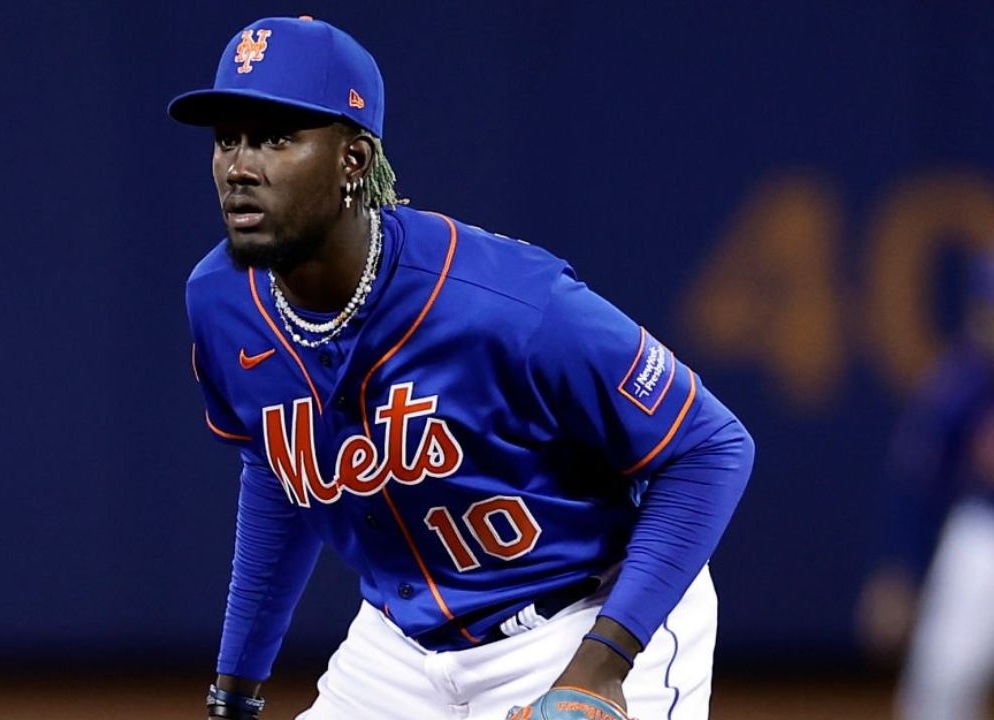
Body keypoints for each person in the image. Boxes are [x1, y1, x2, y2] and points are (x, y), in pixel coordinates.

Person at [169, 16, 754, 720]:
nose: (239, 166)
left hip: (584, 614)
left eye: (275, 137)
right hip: (401, 645)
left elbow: (710, 447)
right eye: (227, 138)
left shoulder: (506, 303)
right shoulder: (221, 300)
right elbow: (277, 468)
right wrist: (236, 683)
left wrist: (602, 663)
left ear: (353, 159)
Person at [857, 259, 994, 720]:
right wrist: (900, 571)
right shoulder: (959, 385)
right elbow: (915, 484)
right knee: (941, 685)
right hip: (982, 537)